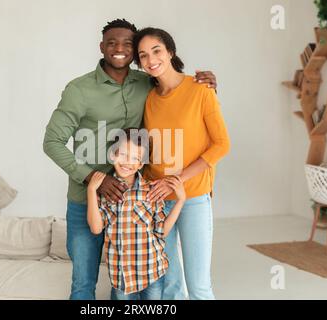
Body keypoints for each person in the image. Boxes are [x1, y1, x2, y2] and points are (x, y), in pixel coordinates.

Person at [43, 18, 217, 300]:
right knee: (83, 283)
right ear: (101, 47)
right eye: (111, 42)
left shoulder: (146, 82)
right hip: (86, 199)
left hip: (136, 199)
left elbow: (177, 92)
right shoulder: (79, 89)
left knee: (138, 280)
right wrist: (92, 180)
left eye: (128, 44)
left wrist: (207, 85)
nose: (119, 49)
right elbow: (51, 142)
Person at [133, 27, 231, 300]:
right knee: (170, 285)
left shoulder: (200, 89)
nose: (151, 60)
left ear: (170, 52)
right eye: (143, 55)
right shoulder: (149, 99)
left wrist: (176, 182)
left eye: (156, 51)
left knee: (198, 285)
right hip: (156, 199)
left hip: (193, 197)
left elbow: (221, 144)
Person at [87, 128, 185, 300]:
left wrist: (180, 200)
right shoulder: (106, 193)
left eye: (135, 158)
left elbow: (161, 231)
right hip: (121, 276)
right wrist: (91, 189)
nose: (128, 162)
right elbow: (96, 229)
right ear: (112, 155)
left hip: (152, 273)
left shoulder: (150, 191)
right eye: (123, 155)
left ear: (141, 164)